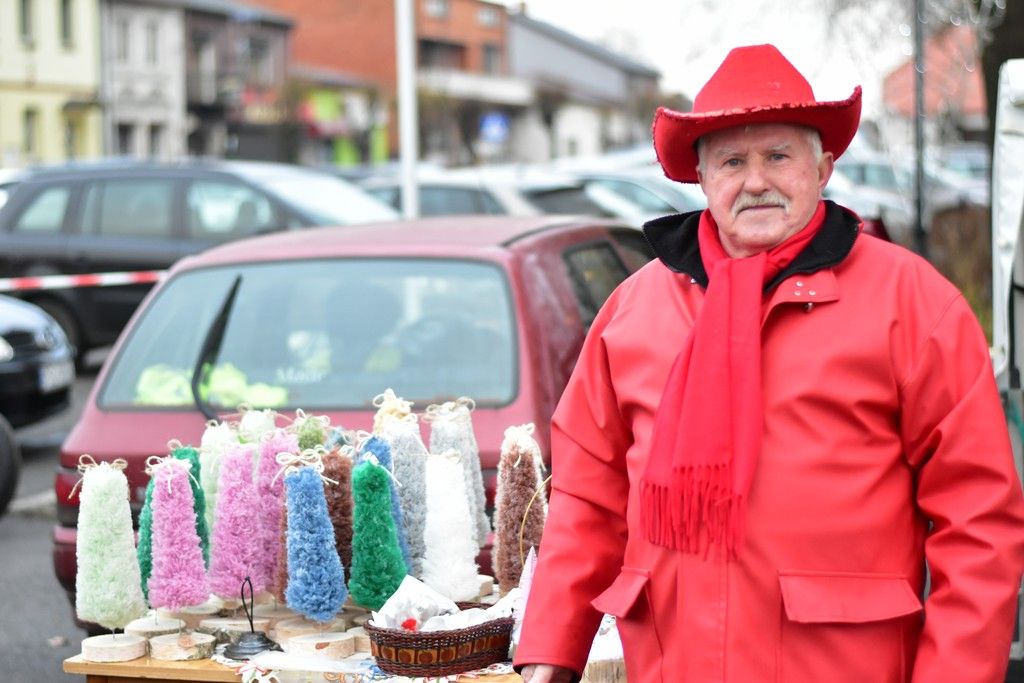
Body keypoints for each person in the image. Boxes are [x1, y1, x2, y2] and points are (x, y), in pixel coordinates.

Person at [513, 44, 1024, 683]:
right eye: (732, 161)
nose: (755, 181)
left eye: (777, 156)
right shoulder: (633, 309)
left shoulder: (913, 304)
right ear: (701, 179)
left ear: (824, 167)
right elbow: (587, 499)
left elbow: (979, 522)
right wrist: (551, 653)